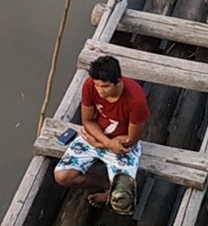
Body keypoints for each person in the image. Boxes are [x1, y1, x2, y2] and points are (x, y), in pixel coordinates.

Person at [54, 56, 149, 214]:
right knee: (62, 176)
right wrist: (105, 142)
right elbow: (88, 121)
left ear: (118, 81)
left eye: (105, 86)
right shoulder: (90, 85)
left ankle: (111, 195)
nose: (100, 90)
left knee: (123, 201)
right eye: (97, 85)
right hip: (95, 136)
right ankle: (106, 184)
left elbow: (132, 139)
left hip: (122, 146)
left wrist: (104, 144)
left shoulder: (136, 101)